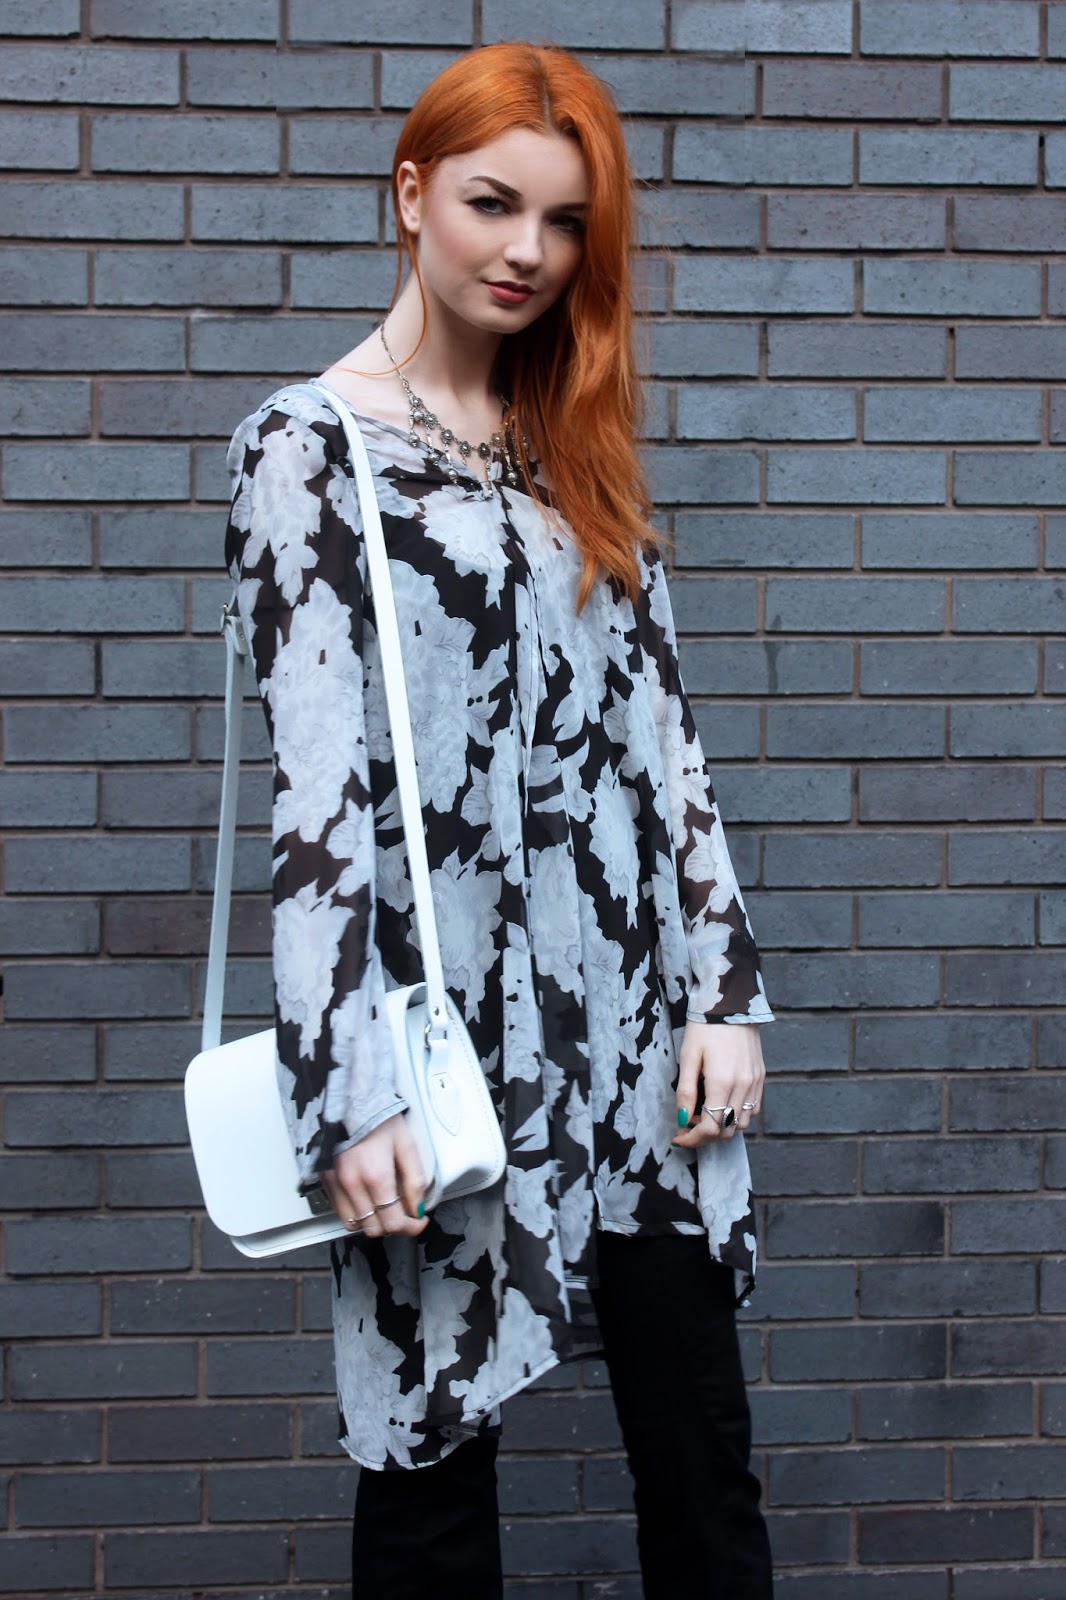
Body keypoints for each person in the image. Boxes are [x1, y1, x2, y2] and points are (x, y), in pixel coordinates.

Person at [225, 40, 774, 1600]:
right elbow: (319, 799)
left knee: (703, 1468)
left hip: (636, 1034)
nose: (527, 250)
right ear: (412, 195)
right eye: (491, 203)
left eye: (564, 222)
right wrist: (349, 1095)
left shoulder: (570, 442)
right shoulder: (309, 450)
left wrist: (723, 994)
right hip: (438, 1043)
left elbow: (665, 742)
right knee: (429, 1484)